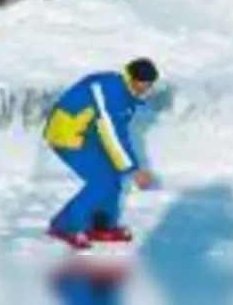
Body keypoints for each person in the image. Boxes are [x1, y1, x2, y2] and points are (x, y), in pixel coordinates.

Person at [42, 59, 160, 249]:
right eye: (143, 84)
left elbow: (118, 133)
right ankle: (63, 227)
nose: (146, 89)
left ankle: (101, 225)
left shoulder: (126, 93)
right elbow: (111, 133)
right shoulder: (111, 91)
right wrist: (134, 169)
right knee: (102, 180)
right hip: (67, 134)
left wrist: (128, 166)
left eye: (149, 85)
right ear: (133, 78)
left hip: (89, 133)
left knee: (114, 173)